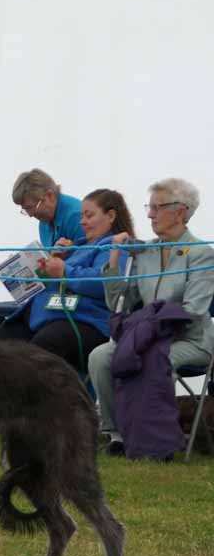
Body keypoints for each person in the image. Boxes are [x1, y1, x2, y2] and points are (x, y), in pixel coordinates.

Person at [89, 178, 214, 454]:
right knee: (100, 357)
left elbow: (193, 311)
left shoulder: (202, 254)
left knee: (152, 360)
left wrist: (147, 331)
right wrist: (113, 260)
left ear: (180, 211)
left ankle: (155, 439)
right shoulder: (145, 251)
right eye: (150, 207)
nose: (149, 214)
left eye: (156, 208)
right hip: (145, 337)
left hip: (190, 341)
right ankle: (117, 435)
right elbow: (119, 303)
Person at [0, 189, 134, 372]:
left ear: (110, 216)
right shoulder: (78, 246)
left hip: (86, 321)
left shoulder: (117, 246)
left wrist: (64, 270)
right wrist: (52, 261)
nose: (82, 222)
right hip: (44, 315)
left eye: (89, 216)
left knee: (39, 350)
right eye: (82, 216)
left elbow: (104, 283)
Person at [11, 168, 85, 247]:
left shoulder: (77, 217)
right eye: (25, 210)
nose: (30, 215)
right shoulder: (44, 223)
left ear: (50, 195)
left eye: (30, 207)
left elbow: (89, 256)